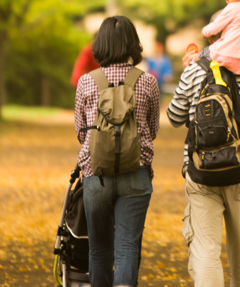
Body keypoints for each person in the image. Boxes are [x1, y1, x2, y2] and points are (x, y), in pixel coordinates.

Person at [167, 35, 240, 285]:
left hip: (200, 170)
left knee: (205, 248)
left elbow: (174, 117)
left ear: (210, 37)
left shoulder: (194, 70)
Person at [73, 16, 160, 287]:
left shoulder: (87, 82)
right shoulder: (147, 82)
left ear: (101, 45)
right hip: (136, 173)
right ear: (133, 44)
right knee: (127, 248)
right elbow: (153, 129)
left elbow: (80, 132)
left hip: (95, 175)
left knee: (98, 250)